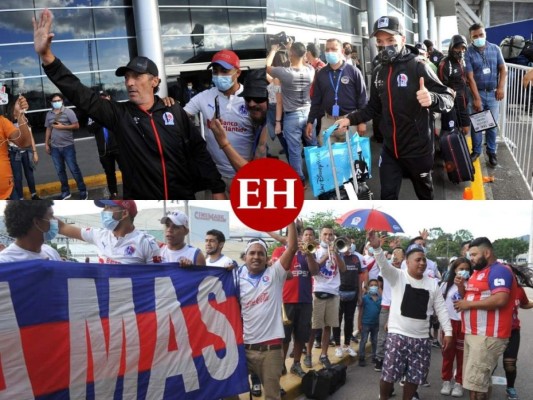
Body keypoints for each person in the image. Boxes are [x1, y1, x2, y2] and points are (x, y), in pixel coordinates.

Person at [33, 9, 225, 200]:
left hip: (182, 200)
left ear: (154, 81)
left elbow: (198, 150)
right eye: (127, 77)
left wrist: (217, 188)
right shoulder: (120, 115)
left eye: (137, 76)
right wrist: (48, 57)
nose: (130, 82)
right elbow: (82, 95)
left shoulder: (174, 110)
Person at [336, 16, 454, 200]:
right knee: (387, 196)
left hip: (418, 150)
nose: (385, 46)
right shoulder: (378, 71)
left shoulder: (418, 65)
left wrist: (432, 98)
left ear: (403, 39)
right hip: (390, 151)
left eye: (391, 40)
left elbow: (448, 97)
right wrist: (350, 119)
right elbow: (373, 107)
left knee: (425, 197)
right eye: (380, 42)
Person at [367, 230, 452, 400]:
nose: (422, 263)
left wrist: (448, 332)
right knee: (388, 376)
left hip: (421, 340)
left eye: (424, 260)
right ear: (407, 261)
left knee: (414, 378)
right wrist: (377, 248)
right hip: (398, 336)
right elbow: (383, 265)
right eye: (417, 260)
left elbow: (441, 308)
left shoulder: (432, 284)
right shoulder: (397, 276)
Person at [237, 222, 298, 400]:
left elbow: (292, 247)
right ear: (245, 257)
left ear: (266, 257)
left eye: (260, 253)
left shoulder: (275, 274)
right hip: (244, 349)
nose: (256, 257)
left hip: (270, 351)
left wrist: (290, 218)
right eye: (252, 253)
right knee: (230, 390)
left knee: (272, 396)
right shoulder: (235, 277)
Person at [184, 50, 255, 196]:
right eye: (215, 71)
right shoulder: (204, 97)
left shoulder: (251, 99)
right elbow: (179, 118)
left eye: (225, 71)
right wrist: (166, 103)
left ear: (238, 73)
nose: (219, 76)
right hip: (215, 176)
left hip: (244, 174)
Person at [454, 237, 517, 400]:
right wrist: (461, 287)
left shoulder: (499, 270)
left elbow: (500, 299)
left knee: (476, 387)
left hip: (487, 336)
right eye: (470, 255)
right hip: (474, 334)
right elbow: (469, 297)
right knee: (478, 383)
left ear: (487, 253)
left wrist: (468, 305)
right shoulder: (477, 272)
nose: (471, 259)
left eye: (474, 254)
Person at [269, 226, 319, 376]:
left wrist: (309, 255)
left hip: (305, 300)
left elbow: (315, 271)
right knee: (283, 337)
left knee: (301, 335)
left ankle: (296, 364)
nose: (298, 238)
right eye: (295, 235)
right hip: (286, 300)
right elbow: (279, 270)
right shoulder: (279, 251)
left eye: (300, 236)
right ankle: (282, 364)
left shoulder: (309, 251)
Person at [267, 41, 315, 185]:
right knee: (312, 147)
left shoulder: (285, 73)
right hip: (309, 114)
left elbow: (267, 67)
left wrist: (274, 50)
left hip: (292, 117)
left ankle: (299, 180)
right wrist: (291, 48)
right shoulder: (310, 70)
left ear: (291, 54)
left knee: (294, 151)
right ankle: (317, 175)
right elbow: (304, 61)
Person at [58, 200, 161, 264]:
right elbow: (62, 227)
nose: (103, 211)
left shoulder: (146, 243)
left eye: (109, 207)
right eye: (104, 207)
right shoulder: (99, 235)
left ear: (124, 213)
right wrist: (44, 214)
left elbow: (160, 279)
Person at [306, 38, 367, 145]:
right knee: (328, 157)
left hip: (349, 120)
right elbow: (316, 100)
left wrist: (362, 121)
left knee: (351, 157)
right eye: (327, 49)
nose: (330, 52)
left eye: (334, 49)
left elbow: (362, 98)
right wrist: (310, 121)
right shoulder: (321, 74)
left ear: (342, 52)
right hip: (328, 120)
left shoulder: (353, 71)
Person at [210, 68, 269, 173]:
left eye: (259, 99)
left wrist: (223, 142)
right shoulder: (261, 123)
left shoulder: (269, 128)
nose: (251, 104)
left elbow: (252, 174)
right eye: (247, 98)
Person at [465, 22, 507, 166]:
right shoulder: (468, 52)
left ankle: (491, 151)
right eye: (475, 36)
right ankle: (476, 151)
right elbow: (470, 77)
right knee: (478, 124)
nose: (478, 38)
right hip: (477, 94)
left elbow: (503, 69)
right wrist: (476, 98)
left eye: (481, 34)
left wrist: (500, 88)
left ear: (485, 34)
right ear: (471, 38)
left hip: (493, 94)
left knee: (492, 125)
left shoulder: (495, 49)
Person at [307, 225, 347, 368]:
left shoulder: (338, 251)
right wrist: (326, 255)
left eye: (331, 234)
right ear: (320, 236)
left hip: (333, 293)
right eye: (325, 234)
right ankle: (308, 354)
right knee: (314, 327)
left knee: (328, 326)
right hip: (318, 291)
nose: (328, 237)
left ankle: (323, 355)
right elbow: (314, 269)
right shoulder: (315, 251)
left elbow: (343, 269)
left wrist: (335, 254)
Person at [44, 93, 88, 200]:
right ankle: (65, 191)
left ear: (62, 101)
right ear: (51, 102)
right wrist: (46, 144)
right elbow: (48, 129)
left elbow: (76, 125)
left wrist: (63, 127)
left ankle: (83, 190)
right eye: (54, 101)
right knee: (60, 171)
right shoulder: (49, 114)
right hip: (54, 148)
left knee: (74, 169)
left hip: (68, 146)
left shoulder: (69, 112)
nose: (56, 103)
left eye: (58, 100)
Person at [439, 257, 472, 397]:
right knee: (448, 353)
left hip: (465, 324)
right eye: (461, 269)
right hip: (449, 323)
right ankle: (446, 380)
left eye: (466, 269)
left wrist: (461, 286)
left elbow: (468, 301)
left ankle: (459, 382)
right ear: (455, 270)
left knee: (462, 355)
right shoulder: (446, 285)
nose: (464, 272)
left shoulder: (472, 285)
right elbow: (439, 304)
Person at [501, 264, 533, 400]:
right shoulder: (490, 288)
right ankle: (483, 387)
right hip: (493, 331)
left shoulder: (519, 290)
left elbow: (525, 303)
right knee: (489, 364)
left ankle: (510, 388)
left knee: (510, 364)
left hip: (513, 332)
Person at [374, 246, 404, 376]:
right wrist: (384, 297)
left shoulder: (405, 271)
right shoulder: (386, 269)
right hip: (386, 306)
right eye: (394, 253)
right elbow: (380, 284)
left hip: (400, 307)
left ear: (404, 257)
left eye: (399, 254)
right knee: (383, 334)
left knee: (398, 335)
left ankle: (396, 360)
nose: (396, 256)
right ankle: (379, 359)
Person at [333, 239, 364, 360]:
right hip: (338, 293)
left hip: (353, 293)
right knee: (337, 320)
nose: (347, 246)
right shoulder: (336, 257)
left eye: (349, 243)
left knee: (349, 320)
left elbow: (359, 277)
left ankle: (347, 345)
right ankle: (337, 346)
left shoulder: (356, 258)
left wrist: (360, 295)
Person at [86, 91, 121, 199]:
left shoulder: (117, 109)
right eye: (101, 98)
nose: (103, 99)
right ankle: (113, 193)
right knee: (109, 173)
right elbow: (90, 129)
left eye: (105, 97)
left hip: (119, 148)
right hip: (104, 150)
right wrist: (100, 118)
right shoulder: (93, 113)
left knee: (126, 169)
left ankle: (131, 191)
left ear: (109, 97)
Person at [5, 93, 40, 200]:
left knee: (29, 174)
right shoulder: (7, 121)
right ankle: (20, 198)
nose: (21, 105)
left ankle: (33, 195)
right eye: (19, 103)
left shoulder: (25, 118)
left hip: (26, 152)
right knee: (18, 177)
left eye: (22, 103)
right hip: (14, 153)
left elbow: (30, 136)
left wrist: (35, 152)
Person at [438, 35, 470, 135]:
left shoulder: (463, 61)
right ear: (451, 47)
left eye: (463, 48)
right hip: (451, 106)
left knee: (465, 131)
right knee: (450, 134)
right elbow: (441, 87)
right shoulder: (445, 63)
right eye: (457, 47)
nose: (461, 50)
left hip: (463, 104)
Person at [357, 278, 381, 367]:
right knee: (363, 340)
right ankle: (361, 357)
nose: (373, 287)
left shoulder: (381, 299)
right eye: (371, 285)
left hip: (376, 324)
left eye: (375, 285)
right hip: (365, 323)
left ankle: (374, 356)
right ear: (368, 287)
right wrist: (359, 324)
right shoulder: (365, 298)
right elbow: (360, 312)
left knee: (375, 341)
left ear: (378, 287)